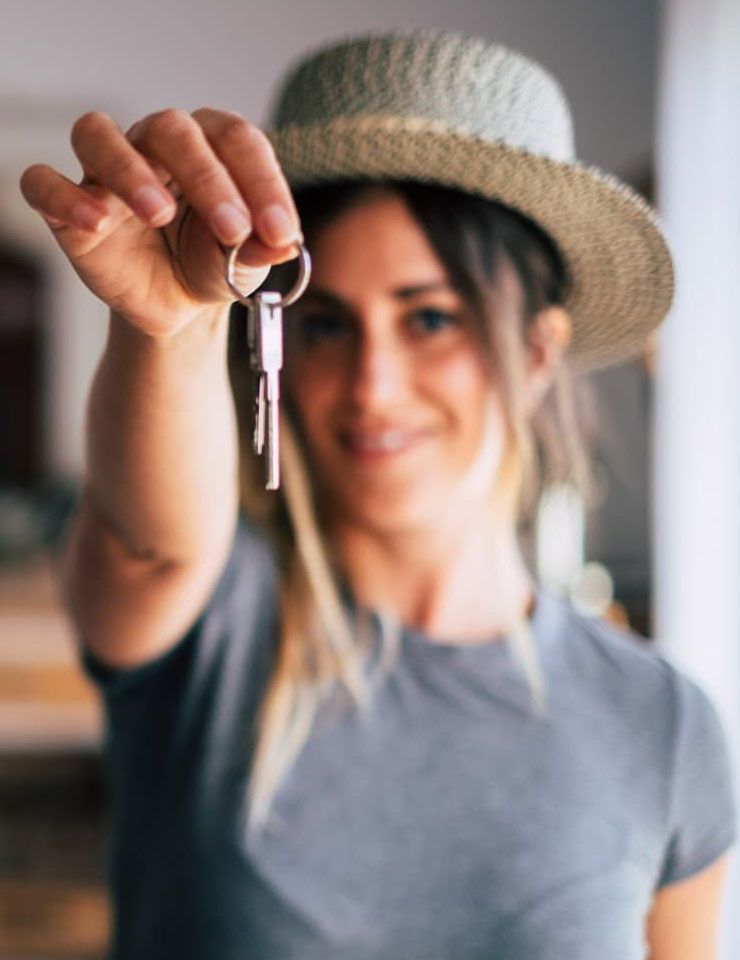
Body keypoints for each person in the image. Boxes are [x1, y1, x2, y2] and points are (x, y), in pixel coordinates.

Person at [20, 29, 735, 960]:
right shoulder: (216, 627)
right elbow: (146, 544)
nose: (371, 386)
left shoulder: (662, 725)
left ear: (534, 354)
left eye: (430, 317)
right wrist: (166, 330)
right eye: (325, 325)